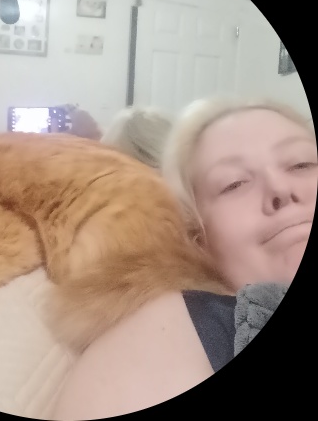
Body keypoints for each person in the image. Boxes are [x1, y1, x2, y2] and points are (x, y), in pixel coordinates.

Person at [51, 96, 317, 419]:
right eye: (234, 184)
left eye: (302, 164)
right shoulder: (182, 324)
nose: (280, 188)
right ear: (196, 238)